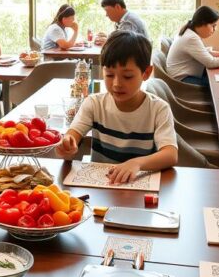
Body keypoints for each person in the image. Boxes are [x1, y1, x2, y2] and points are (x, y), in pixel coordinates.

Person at [56, 31, 179, 183]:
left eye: (127, 76)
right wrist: (68, 143)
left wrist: (137, 163)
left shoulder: (158, 109)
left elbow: (170, 154)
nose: (116, 84)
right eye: (109, 75)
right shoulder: (94, 104)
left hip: (139, 186)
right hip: (101, 185)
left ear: (146, 73)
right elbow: (73, 134)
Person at [165, 5, 219, 86]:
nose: (214, 30)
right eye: (213, 26)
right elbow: (211, 63)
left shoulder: (189, 32)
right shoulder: (191, 38)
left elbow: (202, 52)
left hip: (183, 75)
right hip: (183, 81)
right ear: (203, 23)